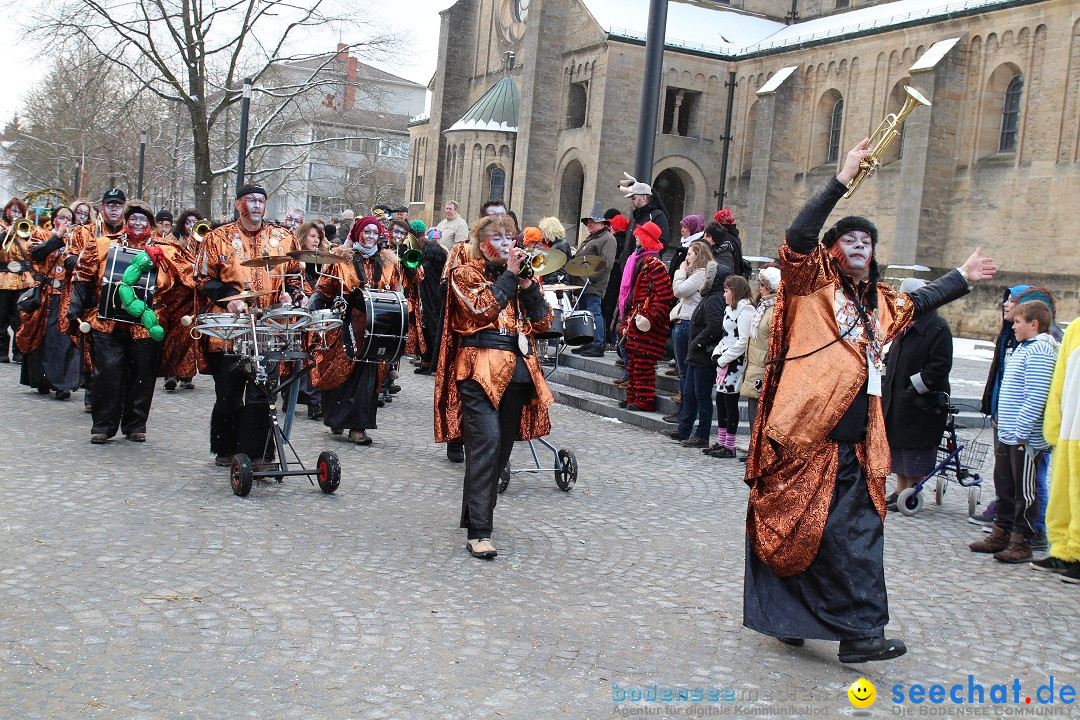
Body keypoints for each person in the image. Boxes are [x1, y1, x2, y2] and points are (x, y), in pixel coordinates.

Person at [743, 138, 997, 663]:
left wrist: (961, 279)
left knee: (855, 538)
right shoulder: (810, 284)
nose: (860, 245)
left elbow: (918, 301)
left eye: (868, 240)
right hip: (802, 438)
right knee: (793, 532)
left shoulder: (880, 302)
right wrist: (841, 180)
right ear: (832, 251)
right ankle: (787, 617)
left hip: (857, 444)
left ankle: (860, 634)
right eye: (849, 239)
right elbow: (798, 235)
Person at [433, 214, 555, 559]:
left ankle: (475, 515)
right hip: (478, 370)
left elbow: (545, 321)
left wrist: (530, 287)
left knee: (499, 453)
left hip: (517, 371)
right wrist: (510, 277)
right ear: (480, 243)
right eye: (497, 238)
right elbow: (481, 310)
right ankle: (479, 532)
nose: (506, 244)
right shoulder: (465, 273)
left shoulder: (523, 275)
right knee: (485, 444)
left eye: (510, 237)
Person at [195, 184, 302, 466]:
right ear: (237, 204)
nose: (256, 205)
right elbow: (203, 278)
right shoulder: (217, 237)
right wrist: (228, 298)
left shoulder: (284, 237)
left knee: (263, 392)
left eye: (260, 201)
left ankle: (257, 453)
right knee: (229, 394)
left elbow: (294, 277)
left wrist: (293, 293)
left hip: (269, 327)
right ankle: (227, 448)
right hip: (229, 328)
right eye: (249, 200)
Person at [68, 201, 179, 443]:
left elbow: (185, 282)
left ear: (150, 224)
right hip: (107, 320)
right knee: (108, 373)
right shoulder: (103, 244)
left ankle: (135, 424)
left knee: (143, 374)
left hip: (147, 322)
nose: (138, 224)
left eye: (143, 220)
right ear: (126, 222)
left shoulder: (168, 250)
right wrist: (74, 307)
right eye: (134, 219)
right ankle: (103, 425)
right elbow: (83, 276)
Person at [969, 300, 1058, 563]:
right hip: (1008, 434)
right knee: (1006, 487)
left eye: (1018, 322)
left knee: (1025, 493)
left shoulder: (1040, 351)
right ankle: (1001, 533)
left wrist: (1021, 430)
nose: (1013, 325)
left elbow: (1036, 396)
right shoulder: (1024, 347)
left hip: (1025, 438)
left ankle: (1023, 541)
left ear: (1034, 324)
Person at [307, 216, 402, 445]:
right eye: (366, 232)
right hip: (345, 325)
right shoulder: (340, 259)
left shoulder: (389, 263)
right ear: (357, 233)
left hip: (375, 327)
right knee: (342, 373)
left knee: (368, 377)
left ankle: (359, 427)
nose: (370, 237)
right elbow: (325, 289)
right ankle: (337, 419)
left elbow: (396, 293)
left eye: (374, 233)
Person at [880, 278, 954, 509]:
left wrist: (914, 387)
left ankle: (912, 490)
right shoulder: (905, 325)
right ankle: (901, 489)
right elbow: (893, 355)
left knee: (914, 448)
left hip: (921, 402)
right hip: (898, 398)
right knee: (899, 447)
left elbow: (940, 366)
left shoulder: (937, 327)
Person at [16, 206, 80, 399]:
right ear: (54, 220)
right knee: (40, 336)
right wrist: (57, 238)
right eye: (62, 217)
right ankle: (40, 380)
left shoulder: (75, 239)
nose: (66, 221)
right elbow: (35, 254)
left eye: (70, 218)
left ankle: (63, 384)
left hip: (65, 295)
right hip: (44, 294)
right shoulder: (40, 234)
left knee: (63, 339)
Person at [1034, 318, 1080, 581]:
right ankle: (1063, 549)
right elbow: (1060, 378)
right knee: (1063, 495)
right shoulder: (1075, 329)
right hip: (1070, 427)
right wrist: (1054, 421)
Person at [665, 255, 723, 445]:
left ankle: (702, 435)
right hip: (696, 354)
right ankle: (684, 429)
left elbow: (714, 327)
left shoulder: (713, 299)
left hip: (703, 355)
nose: (703, 279)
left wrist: (696, 342)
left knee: (701, 395)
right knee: (689, 392)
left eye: (707, 277)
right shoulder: (707, 297)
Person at [618, 221, 675, 412]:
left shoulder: (656, 267)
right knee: (634, 363)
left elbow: (665, 300)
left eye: (638, 236)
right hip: (638, 320)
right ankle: (633, 397)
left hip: (648, 326)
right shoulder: (645, 264)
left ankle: (644, 400)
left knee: (643, 365)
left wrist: (649, 319)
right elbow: (638, 298)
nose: (635, 238)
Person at [663, 240, 711, 424]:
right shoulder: (695, 273)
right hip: (681, 322)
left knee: (684, 371)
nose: (687, 257)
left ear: (698, 255)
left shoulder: (700, 274)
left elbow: (678, 290)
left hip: (687, 324)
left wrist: (680, 271)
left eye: (690, 254)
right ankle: (683, 411)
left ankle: (685, 412)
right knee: (683, 371)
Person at [709, 275, 755, 457]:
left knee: (730, 402)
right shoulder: (731, 309)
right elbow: (727, 335)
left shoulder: (746, 310)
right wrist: (717, 353)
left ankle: (730, 445)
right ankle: (721, 441)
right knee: (720, 401)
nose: (724, 294)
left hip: (735, 362)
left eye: (727, 291)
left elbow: (742, 340)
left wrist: (724, 358)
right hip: (725, 359)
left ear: (734, 291)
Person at [740, 266, 781, 437]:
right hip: (754, 367)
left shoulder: (775, 311)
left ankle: (757, 452)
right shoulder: (763, 307)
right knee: (753, 411)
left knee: (760, 414)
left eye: (763, 286)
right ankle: (753, 449)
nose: (760, 289)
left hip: (763, 368)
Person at [572, 205, 617, 358]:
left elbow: (607, 263)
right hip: (583, 283)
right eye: (588, 222)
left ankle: (597, 344)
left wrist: (592, 279)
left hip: (592, 284)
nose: (589, 224)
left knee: (593, 312)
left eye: (592, 221)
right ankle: (588, 342)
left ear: (603, 223)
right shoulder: (594, 237)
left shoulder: (608, 239)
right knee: (586, 312)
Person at [0, 197, 35, 363]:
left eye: (19, 212)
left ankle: (19, 351)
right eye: (13, 211)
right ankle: (1, 351)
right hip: (3, 277)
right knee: (1, 317)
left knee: (19, 317)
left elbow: (32, 252)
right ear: (7, 211)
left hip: (22, 278)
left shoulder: (27, 229)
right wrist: (5, 233)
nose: (16, 214)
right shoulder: (1, 228)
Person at [618, 175, 669, 264]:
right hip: (630, 266)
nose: (631, 201)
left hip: (644, 267)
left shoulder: (657, 215)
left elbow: (662, 243)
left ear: (644, 198)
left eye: (633, 198)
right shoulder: (635, 217)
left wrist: (643, 259)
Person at [668, 215, 705, 280]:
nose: (682, 230)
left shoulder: (697, 247)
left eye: (685, 227)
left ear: (693, 228)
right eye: (682, 227)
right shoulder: (684, 244)